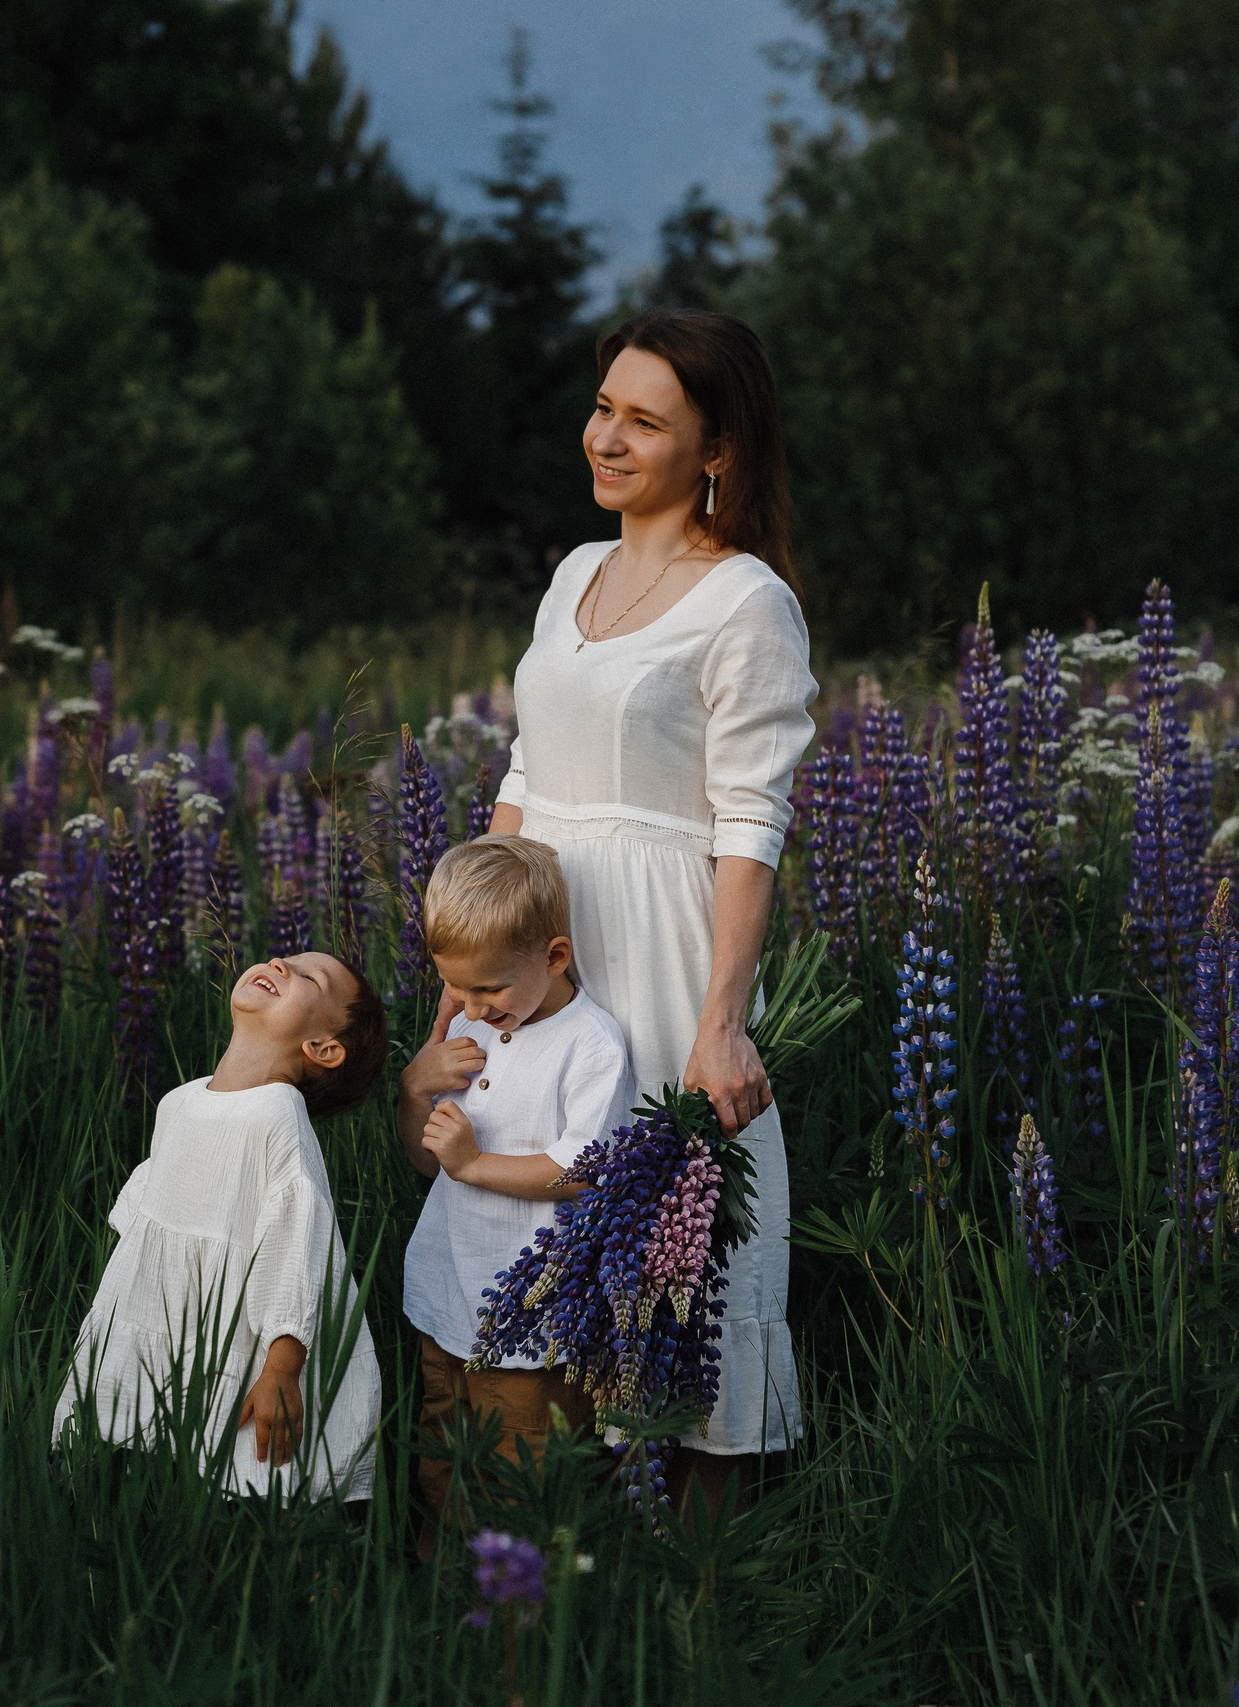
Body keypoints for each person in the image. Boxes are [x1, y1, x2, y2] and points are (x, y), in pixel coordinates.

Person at [486, 307, 817, 1520]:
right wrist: (472, 963)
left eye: (643, 420)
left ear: (716, 446)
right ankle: (570, 1532)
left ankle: (703, 1580)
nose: (605, 438)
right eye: (602, 408)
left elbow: (749, 823)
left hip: (668, 948)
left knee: (685, 1248)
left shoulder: (745, 602)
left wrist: (722, 1021)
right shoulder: (576, 572)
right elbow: (525, 771)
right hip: (548, 941)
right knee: (552, 1221)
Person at [52, 951, 389, 1500]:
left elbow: (296, 1251)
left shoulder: (277, 1117)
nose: (282, 962)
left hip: (246, 1327)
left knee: (239, 1475)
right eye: (289, 957)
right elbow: (147, 1228)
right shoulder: (180, 1100)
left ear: (323, 1050)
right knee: (142, 1445)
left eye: (309, 977)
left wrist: (282, 1370)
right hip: (162, 1305)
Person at [394, 835, 637, 1557]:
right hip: (445, 1296)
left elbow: (585, 1166)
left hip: (533, 1320)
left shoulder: (591, 1044)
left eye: (488, 988)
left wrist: (475, 1164)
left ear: (554, 957)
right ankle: (446, 1598)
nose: (468, 1006)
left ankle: (527, 1615)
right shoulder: (467, 1028)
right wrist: (415, 1087)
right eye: (457, 988)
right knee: (443, 1457)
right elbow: (425, 1159)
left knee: (524, 1472)